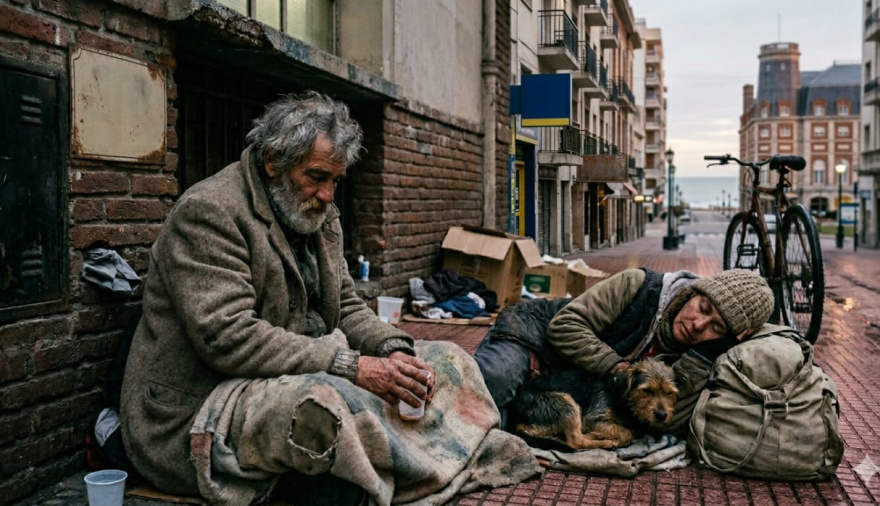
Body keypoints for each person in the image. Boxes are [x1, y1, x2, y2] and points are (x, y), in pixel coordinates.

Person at [120, 93, 537, 505]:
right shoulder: (209, 213)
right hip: (202, 406)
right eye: (317, 176)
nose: (327, 194)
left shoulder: (317, 216)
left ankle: (395, 469)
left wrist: (393, 350)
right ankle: (395, 469)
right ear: (272, 162)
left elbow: (348, 306)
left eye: (335, 180)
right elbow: (228, 336)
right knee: (328, 401)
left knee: (448, 362)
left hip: (294, 369)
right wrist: (352, 366)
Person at [475, 267, 775, 434]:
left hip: (566, 387)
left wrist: (710, 352)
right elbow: (564, 327)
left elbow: (671, 417)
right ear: (694, 292)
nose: (698, 325)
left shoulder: (701, 353)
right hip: (534, 338)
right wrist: (619, 369)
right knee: (492, 385)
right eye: (703, 308)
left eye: (717, 327)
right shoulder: (637, 285)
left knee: (499, 426)